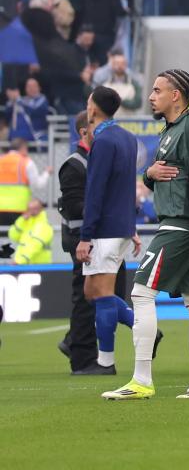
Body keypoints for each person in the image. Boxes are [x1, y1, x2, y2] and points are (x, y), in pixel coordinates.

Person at [103, 70, 189, 400]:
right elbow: (163, 178)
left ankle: (142, 380)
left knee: (142, 293)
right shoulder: (171, 130)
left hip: (179, 227)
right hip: (179, 224)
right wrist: (149, 174)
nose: (150, 96)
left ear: (176, 95)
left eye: (157, 90)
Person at [76, 90, 141, 375]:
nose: (87, 107)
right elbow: (125, 187)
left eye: (88, 102)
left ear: (95, 109)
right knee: (92, 291)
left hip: (105, 230)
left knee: (100, 293)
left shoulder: (102, 141)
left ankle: (106, 362)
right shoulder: (127, 138)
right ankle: (144, 326)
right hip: (121, 226)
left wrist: (85, 236)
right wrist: (132, 226)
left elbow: (96, 191)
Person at [56, 111, 99, 372]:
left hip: (91, 237)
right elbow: (74, 207)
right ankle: (82, 358)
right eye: (97, 126)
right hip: (80, 239)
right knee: (86, 298)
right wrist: (106, 209)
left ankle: (74, 341)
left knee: (95, 297)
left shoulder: (89, 160)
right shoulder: (74, 164)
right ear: (84, 131)